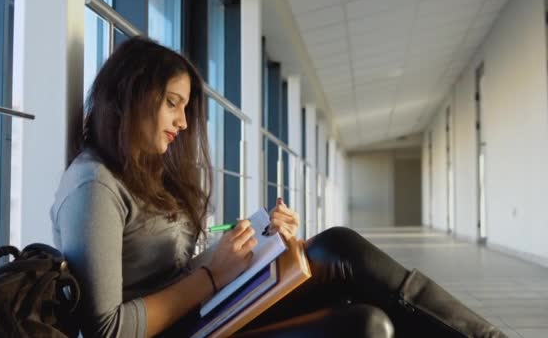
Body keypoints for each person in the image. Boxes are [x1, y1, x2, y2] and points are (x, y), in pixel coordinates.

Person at [51, 36, 506, 338]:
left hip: (203, 312)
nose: (183, 122)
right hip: (183, 329)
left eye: (185, 107)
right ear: (130, 94)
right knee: (366, 324)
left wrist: (254, 243)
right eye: (173, 103)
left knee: (336, 247)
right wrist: (212, 276)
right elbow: (104, 329)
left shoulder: (144, 173)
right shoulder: (94, 186)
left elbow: (171, 270)